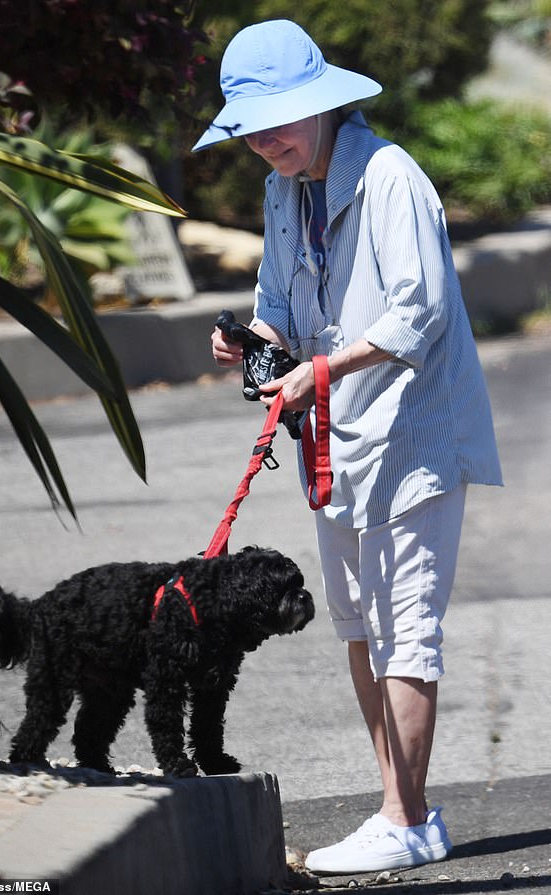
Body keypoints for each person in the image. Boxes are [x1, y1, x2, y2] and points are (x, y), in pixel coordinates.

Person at [193, 19, 502, 875]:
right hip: (334, 434)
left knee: (406, 627)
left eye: (280, 119)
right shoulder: (283, 190)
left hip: (413, 431)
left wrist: (318, 369)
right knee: (361, 624)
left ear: (323, 104)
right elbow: (277, 307)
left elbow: (420, 311)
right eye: (252, 127)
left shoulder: (392, 176)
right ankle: (404, 813)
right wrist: (249, 342)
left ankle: (402, 817)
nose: (266, 139)